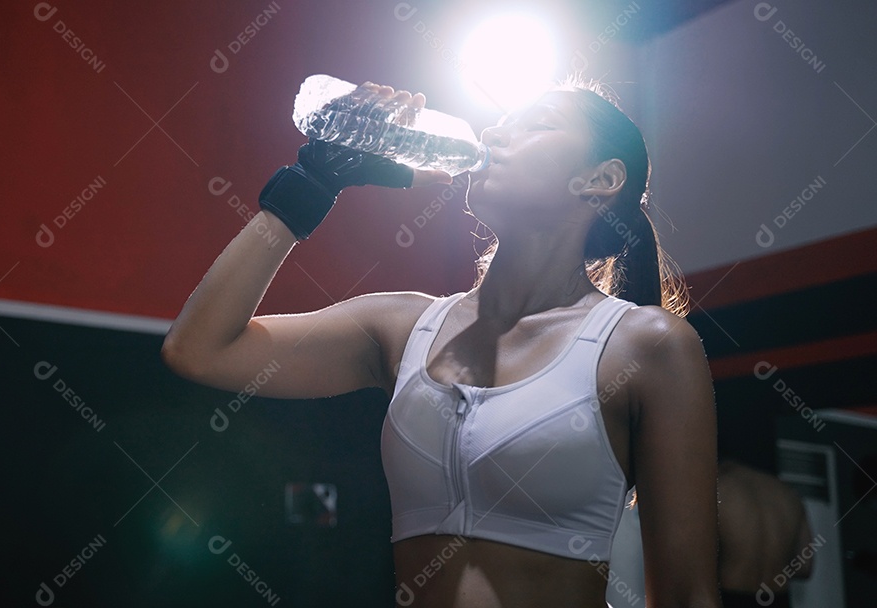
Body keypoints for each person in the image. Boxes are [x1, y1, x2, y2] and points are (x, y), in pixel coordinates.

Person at [162, 77, 722, 608]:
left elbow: (688, 596)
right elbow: (200, 349)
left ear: (600, 179)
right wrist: (311, 183)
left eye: (536, 125)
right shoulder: (402, 326)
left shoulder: (645, 346)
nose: (495, 134)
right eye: (500, 123)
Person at [716, 459, 814, 608]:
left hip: (732, 597)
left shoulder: (718, 488)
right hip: (778, 598)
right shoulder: (788, 493)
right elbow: (804, 567)